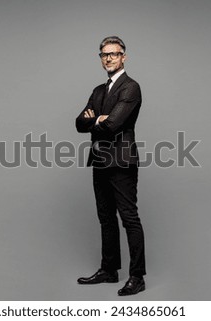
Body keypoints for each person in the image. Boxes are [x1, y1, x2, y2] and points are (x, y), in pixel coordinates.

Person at [75, 36, 146, 296]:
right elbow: (78, 123)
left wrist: (97, 120)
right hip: (100, 159)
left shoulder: (131, 88)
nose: (108, 58)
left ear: (123, 56)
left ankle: (137, 277)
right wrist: (96, 120)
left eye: (113, 54)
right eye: (104, 54)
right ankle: (109, 270)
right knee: (105, 218)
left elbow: (113, 124)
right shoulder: (98, 91)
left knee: (129, 218)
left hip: (122, 160)